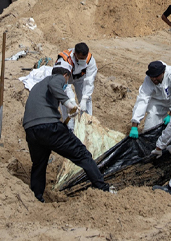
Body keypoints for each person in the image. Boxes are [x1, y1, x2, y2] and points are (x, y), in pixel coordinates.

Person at [22, 62, 112, 202]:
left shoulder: (37, 87)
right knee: (82, 155)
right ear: (65, 75)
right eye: (66, 81)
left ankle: (37, 196)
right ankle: (102, 189)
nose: (66, 84)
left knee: (39, 164)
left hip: (31, 130)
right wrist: (68, 103)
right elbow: (55, 86)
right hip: (49, 127)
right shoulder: (56, 78)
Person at [129, 61, 171, 137]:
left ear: (163, 72)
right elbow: (142, 99)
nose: (154, 79)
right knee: (149, 130)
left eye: (156, 76)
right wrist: (134, 126)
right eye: (152, 77)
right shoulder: (148, 79)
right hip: (158, 101)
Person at [57, 43, 97, 124]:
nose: (83, 60)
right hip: (67, 77)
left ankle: (87, 122)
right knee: (66, 101)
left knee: (86, 100)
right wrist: (71, 100)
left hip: (80, 77)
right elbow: (65, 85)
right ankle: (69, 127)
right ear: (75, 55)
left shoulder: (89, 59)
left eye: (84, 58)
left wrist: (84, 98)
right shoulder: (65, 60)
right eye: (81, 58)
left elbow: (89, 80)